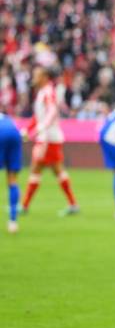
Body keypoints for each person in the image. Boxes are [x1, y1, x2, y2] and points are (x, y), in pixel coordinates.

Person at [21, 66, 79, 216]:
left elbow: (52, 112)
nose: (34, 77)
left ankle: (24, 206)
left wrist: (38, 129)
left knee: (36, 168)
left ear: (45, 77)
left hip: (48, 138)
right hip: (49, 137)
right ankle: (73, 204)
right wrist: (29, 129)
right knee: (57, 170)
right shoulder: (42, 92)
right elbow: (38, 116)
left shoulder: (48, 92)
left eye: (37, 74)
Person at [0, 113, 22, 234]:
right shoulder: (5, 117)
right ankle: (13, 222)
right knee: (12, 179)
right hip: (14, 133)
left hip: (1, 134)